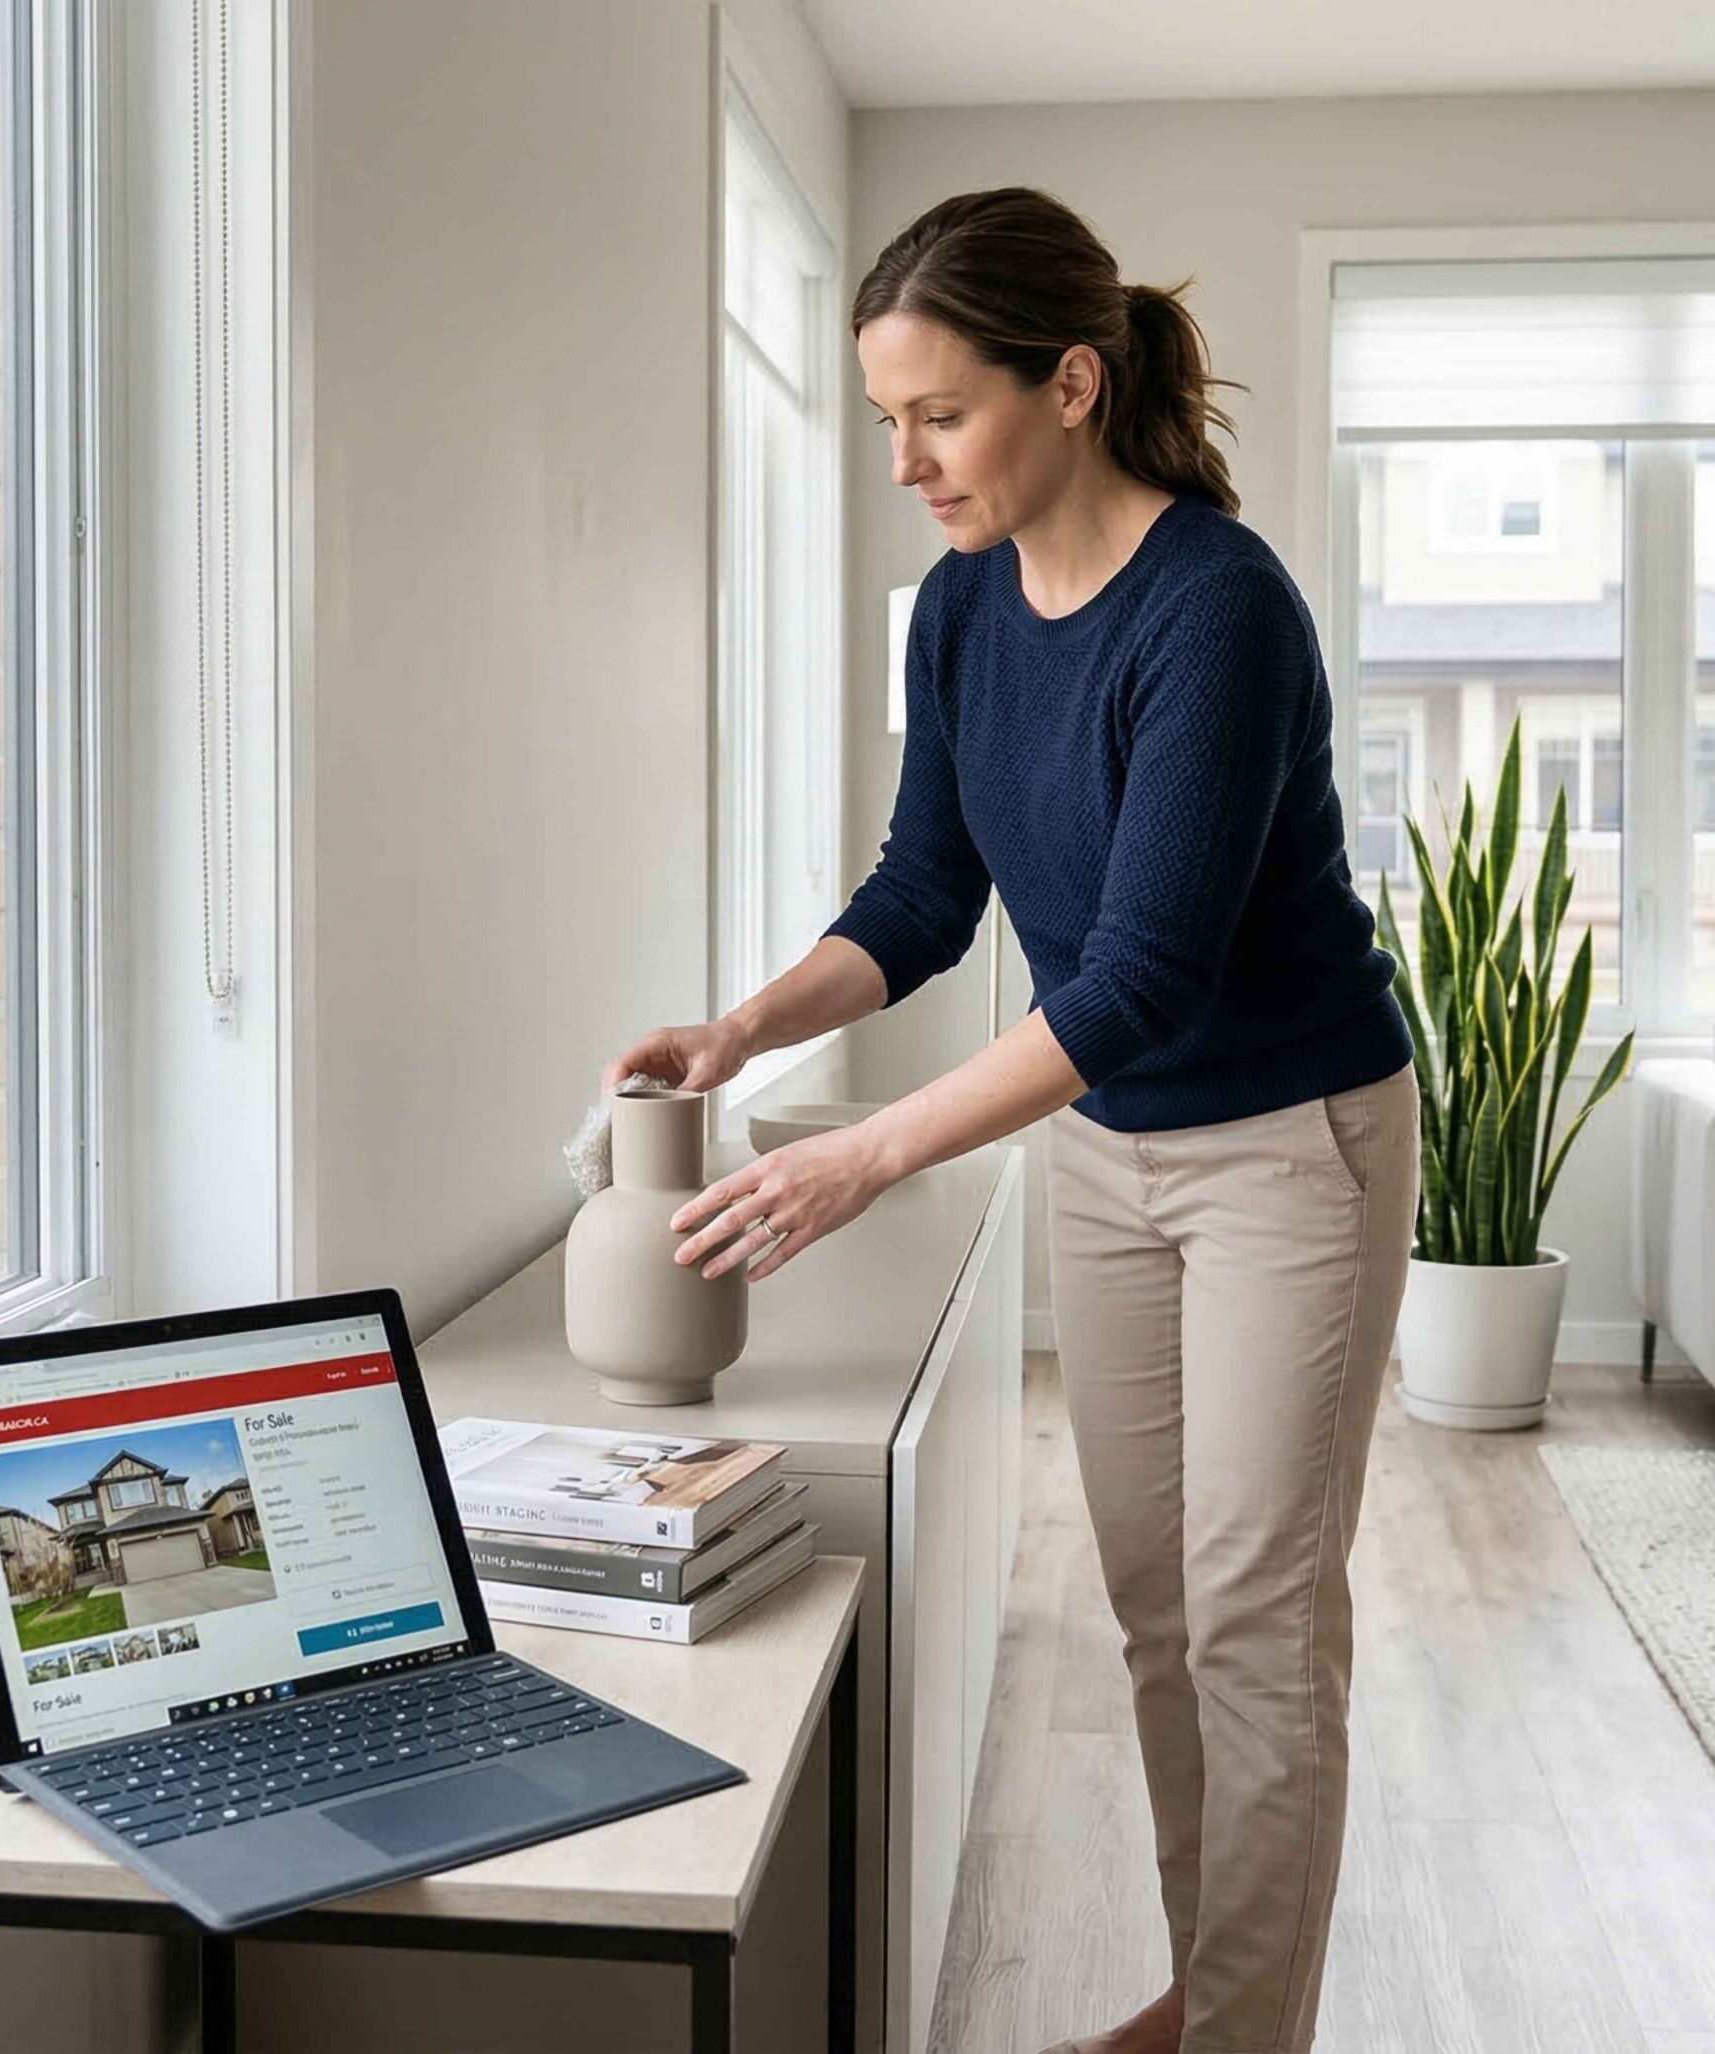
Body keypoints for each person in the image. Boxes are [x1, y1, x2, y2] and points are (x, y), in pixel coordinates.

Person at [601, 186, 1419, 2054]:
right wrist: (745, 1029)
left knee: (1253, 1619)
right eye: (884, 418)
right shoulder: (965, 607)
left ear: (1068, 384)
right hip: (1106, 1143)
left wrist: (865, 1150)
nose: (904, 461)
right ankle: (1217, 2002)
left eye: (937, 416)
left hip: (1294, 1138)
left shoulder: (1219, 612)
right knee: (1151, 1604)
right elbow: (922, 892)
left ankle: (1241, 2037)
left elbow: (1140, 975)